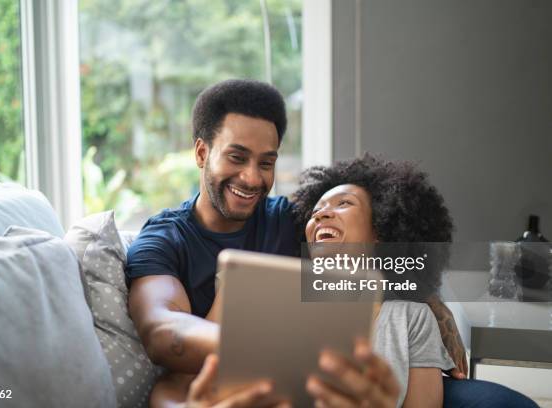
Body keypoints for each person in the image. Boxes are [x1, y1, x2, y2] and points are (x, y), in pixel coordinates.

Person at [126, 79, 473, 406]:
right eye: (237, 156)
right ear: (202, 153)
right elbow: (163, 332)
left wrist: (428, 300)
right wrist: (271, 347)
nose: (252, 178)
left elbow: (367, 244)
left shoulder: (291, 220)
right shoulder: (163, 239)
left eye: (266, 162)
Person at [289, 154, 538, 408]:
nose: (321, 215)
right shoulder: (288, 307)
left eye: (343, 203)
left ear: (380, 231)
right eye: (316, 210)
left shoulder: (413, 318)